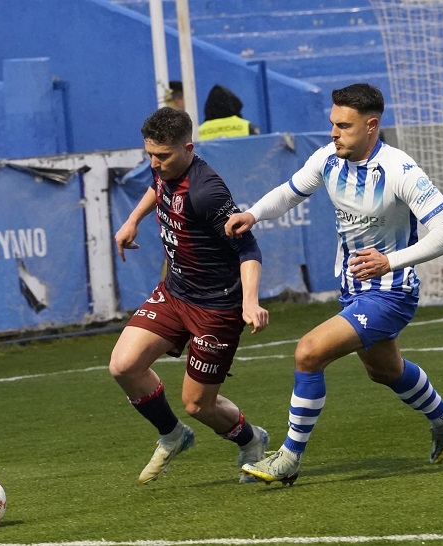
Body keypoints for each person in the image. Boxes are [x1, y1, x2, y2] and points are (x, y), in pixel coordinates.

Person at [224, 83, 443, 485]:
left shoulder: (401, 170)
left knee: (308, 353)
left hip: (392, 291)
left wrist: (391, 260)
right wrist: (253, 214)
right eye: (332, 124)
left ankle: (288, 459)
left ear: (371, 126)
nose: (334, 133)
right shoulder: (328, 158)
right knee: (384, 370)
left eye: (343, 125)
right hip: (355, 288)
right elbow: (289, 193)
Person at [110, 106, 271, 484]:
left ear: (188, 148)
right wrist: (133, 220)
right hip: (175, 292)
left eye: (163, 156)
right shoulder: (163, 165)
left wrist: (250, 301)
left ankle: (252, 440)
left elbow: (248, 250)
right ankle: (172, 435)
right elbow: (156, 186)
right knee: (123, 366)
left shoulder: (207, 192)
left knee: (198, 404)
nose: (155, 162)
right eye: (149, 154)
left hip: (216, 307)